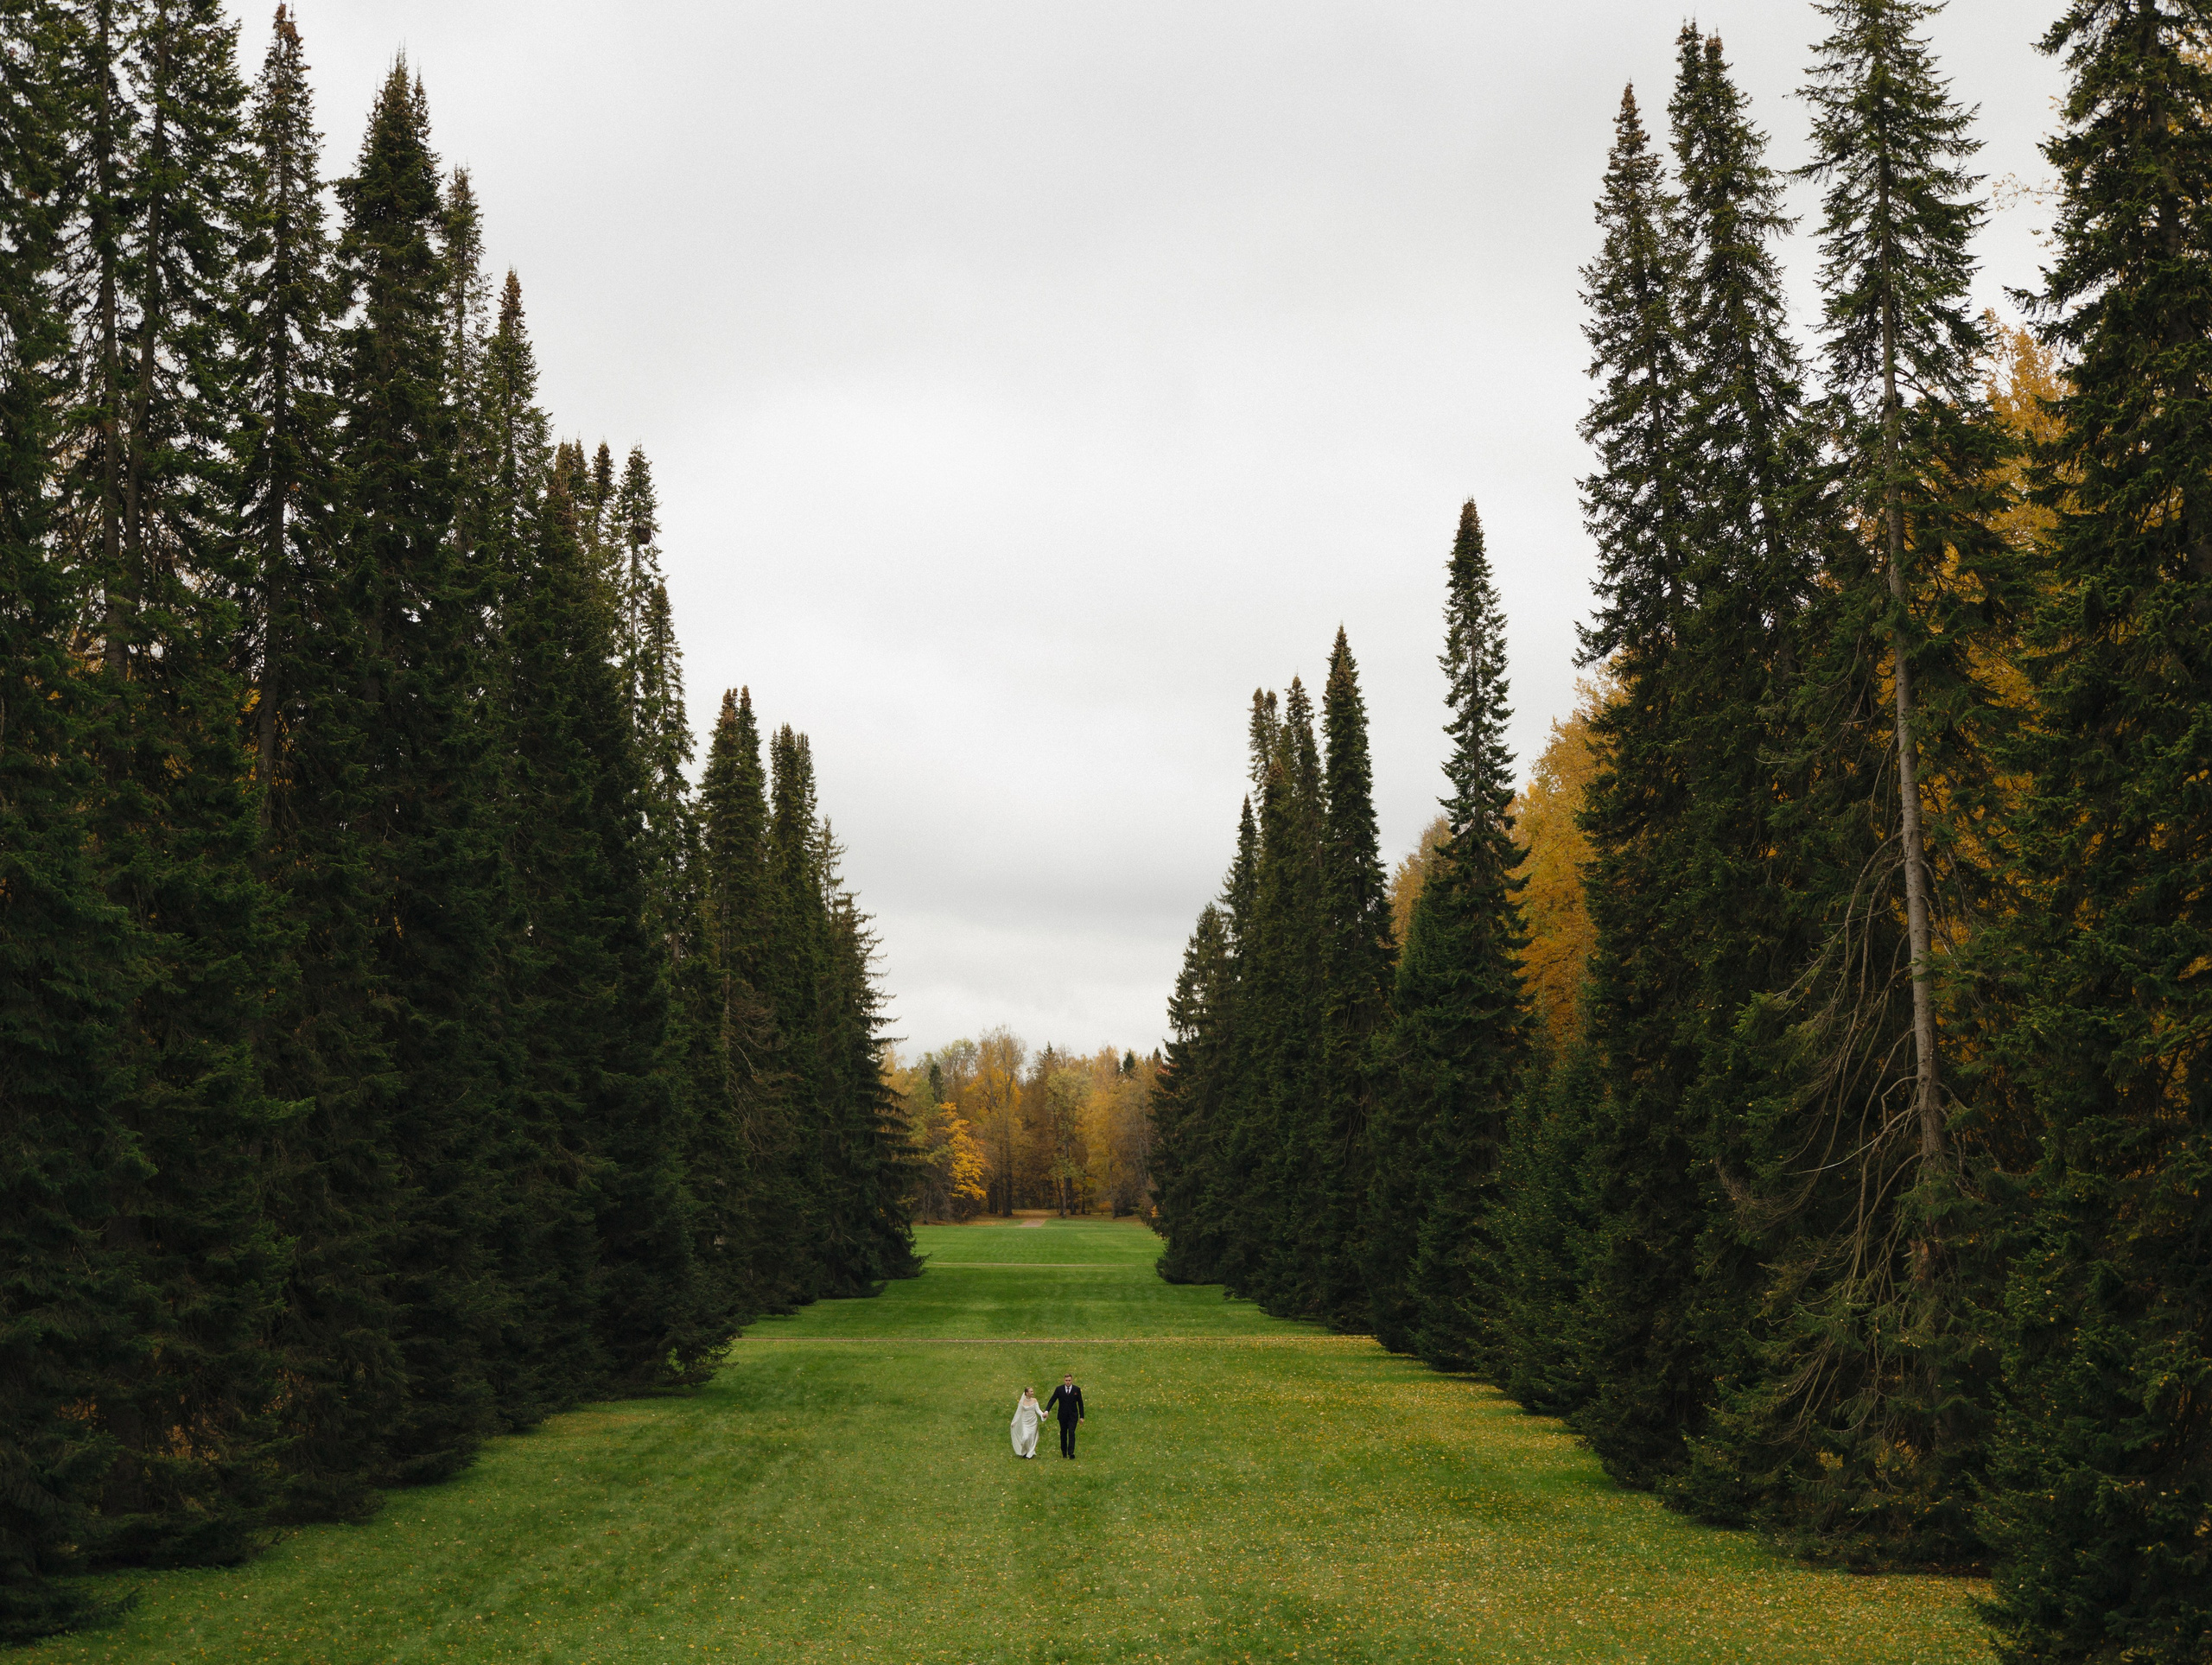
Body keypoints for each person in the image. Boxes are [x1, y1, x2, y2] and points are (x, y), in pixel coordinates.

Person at [1043, 1372, 1084, 1459]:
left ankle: (1071, 1452)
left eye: (1069, 1380)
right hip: (1063, 1416)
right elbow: (1052, 1400)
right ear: (1064, 1380)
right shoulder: (1059, 1389)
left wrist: (1082, 1417)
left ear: (1072, 1380)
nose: (1068, 1382)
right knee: (1063, 1433)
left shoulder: (1076, 1390)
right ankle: (1064, 1452)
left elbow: (1080, 1403)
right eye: (1066, 1381)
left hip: (1073, 1416)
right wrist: (1047, 1410)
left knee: (1072, 1432)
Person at [1010, 1387, 1042, 1459]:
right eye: (1031, 1392)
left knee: (1032, 1438)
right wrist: (1014, 1422)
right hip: (1025, 1422)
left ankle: (1030, 1453)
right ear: (1026, 1393)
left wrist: (1043, 1415)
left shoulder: (1034, 1400)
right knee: (1025, 1437)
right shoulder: (1022, 1402)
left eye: (1032, 1391)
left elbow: (1038, 1410)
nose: (1032, 1393)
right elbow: (1018, 1412)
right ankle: (1024, 1451)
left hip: (1033, 1422)